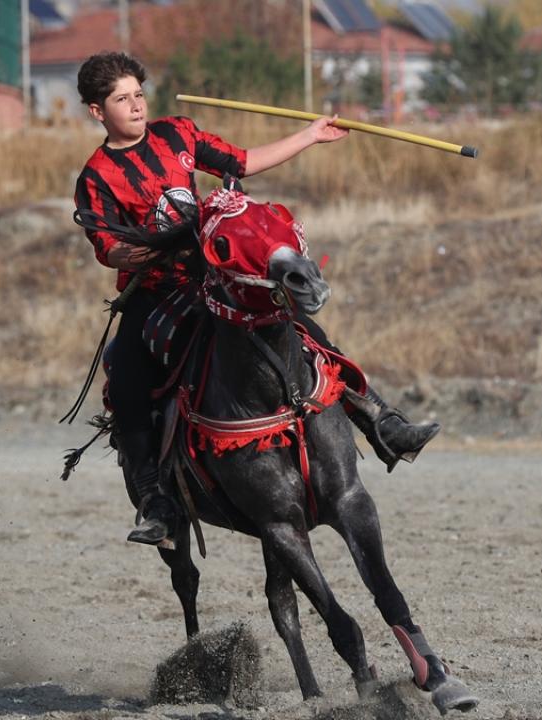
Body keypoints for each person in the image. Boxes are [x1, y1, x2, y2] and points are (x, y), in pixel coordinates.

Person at [74, 51, 439, 547]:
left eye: (139, 94)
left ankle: (381, 423)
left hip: (214, 276)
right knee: (126, 380)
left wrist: (310, 136)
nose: (137, 105)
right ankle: (155, 500)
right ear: (98, 111)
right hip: (156, 292)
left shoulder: (177, 133)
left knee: (301, 327)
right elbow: (109, 251)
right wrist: (164, 244)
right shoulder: (96, 176)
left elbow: (242, 162)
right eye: (122, 99)